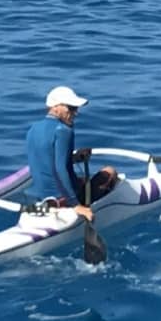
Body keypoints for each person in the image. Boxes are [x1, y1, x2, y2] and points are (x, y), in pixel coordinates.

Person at [26, 85, 118, 222]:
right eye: (71, 108)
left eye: (76, 108)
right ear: (56, 107)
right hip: (62, 201)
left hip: (39, 198)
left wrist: (73, 158)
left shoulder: (33, 129)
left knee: (81, 180)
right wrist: (76, 205)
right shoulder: (63, 130)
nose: (76, 113)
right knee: (109, 172)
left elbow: (47, 158)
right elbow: (60, 169)